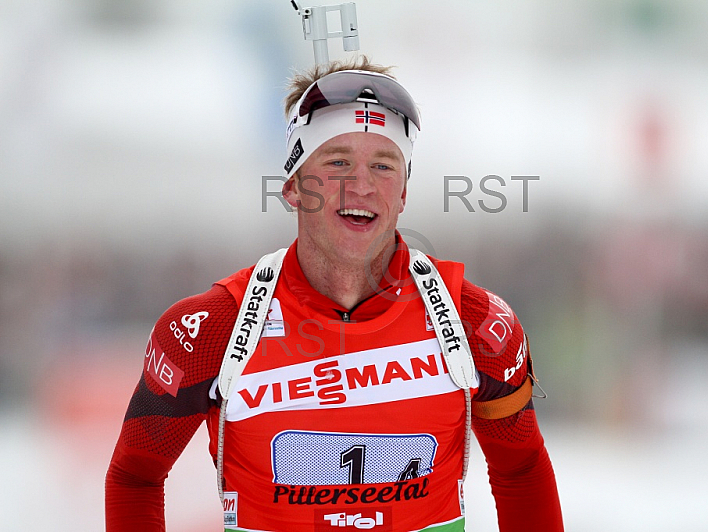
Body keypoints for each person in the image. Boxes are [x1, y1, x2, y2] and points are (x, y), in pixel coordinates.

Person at [105, 56, 563, 532]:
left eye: (383, 165)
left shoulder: (476, 324)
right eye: (338, 161)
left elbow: (522, 470)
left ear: (404, 192)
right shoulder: (209, 330)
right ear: (293, 186)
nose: (362, 185)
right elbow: (136, 475)